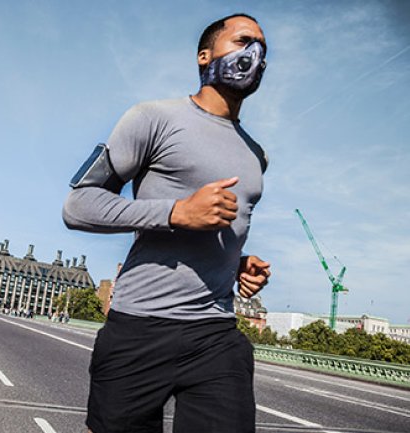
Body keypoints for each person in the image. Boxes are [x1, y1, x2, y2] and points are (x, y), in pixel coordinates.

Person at [63, 14, 271, 433]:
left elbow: (216, 229)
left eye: (263, 49)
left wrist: (238, 262)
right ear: (204, 56)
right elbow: (78, 204)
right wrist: (175, 213)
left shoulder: (256, 155)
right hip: (139, 327)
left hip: (215, 332)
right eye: (244, 41)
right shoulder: (151, 118)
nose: (256, 55)